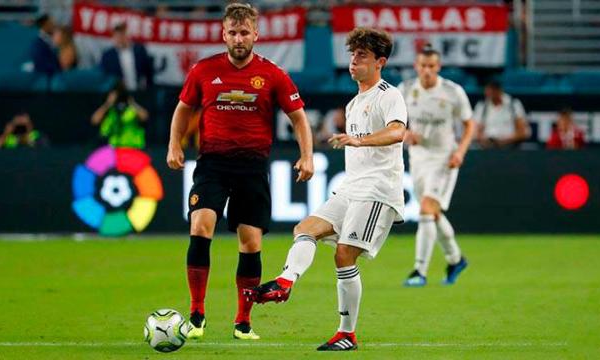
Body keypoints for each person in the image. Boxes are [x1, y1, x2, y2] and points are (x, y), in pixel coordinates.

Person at [246, 27, 407, 351]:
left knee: (344, 254)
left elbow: (397, 132)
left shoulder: (389, 94)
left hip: (378, 190)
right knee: (305, 228)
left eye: (362, 55)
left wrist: (358, 139)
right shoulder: (353, 104)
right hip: (351, 188)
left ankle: (347, 334)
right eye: (352, 54)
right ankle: (285, 282)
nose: (353, 61)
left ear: (380, 62)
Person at [166, 3, 314, 341]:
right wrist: (174, 145)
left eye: (244, 32)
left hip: (252, 167)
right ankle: (197, 313)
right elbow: (183, 109)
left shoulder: (272, 73)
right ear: (223, 34)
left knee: (250, 243)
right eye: (232, 32)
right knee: (201, 225)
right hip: (213, 164)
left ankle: (243, 322)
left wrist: (307, 156)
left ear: (255, 35)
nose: (238, 38)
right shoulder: (204, 70)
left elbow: (299, 116)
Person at [397, 44, 475, 287]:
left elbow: (470, 124)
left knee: (427, 208)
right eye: (423, 66)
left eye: (432, 66)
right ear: (416, 66)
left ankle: (419, 271)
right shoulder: (406, 89)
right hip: (418, 157)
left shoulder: (453, 92)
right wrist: (405, 133)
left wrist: (460, 152)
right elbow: (394, 123)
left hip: (444, 157)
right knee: (431, 212)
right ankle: (456, 259)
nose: (427, 71)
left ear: (438, 67)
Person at [91, 82, 149, 149]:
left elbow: (145, 117)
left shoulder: (132, 110)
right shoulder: (110, 112)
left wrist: (132, 103)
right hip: (115, 150)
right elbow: (94, 120)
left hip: (133, 149)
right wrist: (107, 104)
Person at [474, 80, 528, 148]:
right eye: (486, 91)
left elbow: (523, 132)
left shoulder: (514, 104)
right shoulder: (481, 106)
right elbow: (476, 130)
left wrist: (506, 140)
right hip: (487, 147)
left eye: (491, 91)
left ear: (498, 91)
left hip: (510, 146)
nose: (487, 94)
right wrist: (483, 139)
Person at [100, 23, 154, 91]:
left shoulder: (140, 50)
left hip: (140, 91)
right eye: (118, 37)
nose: (120, 39)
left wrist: (148, 88)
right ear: (113, 38)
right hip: (118, 93)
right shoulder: (108, 55)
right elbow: (105, 76)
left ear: (128, 35)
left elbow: (148, 71)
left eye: (123, 36)